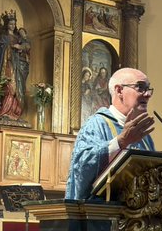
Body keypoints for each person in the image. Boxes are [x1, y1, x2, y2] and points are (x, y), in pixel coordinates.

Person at [66, 67, 156, 200]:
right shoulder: (96, 125)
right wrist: (120, 142)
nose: (147, 94)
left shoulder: (143, 135)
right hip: (102, 216)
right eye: (140, 87)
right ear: (119, 90)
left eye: (148, 89)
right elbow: (82, 167)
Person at [0, 12, 30, 121]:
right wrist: (10, 49)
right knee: (9, 88)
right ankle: (5, 112)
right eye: (10, 24)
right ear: (6, 25)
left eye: (14, 24)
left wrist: (20, 48)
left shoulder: (18, 37)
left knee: (19, 89)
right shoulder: (3, 37)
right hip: (8, 65)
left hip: (19, 66)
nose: (12, 26)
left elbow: (26, 49)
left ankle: (15, 113)